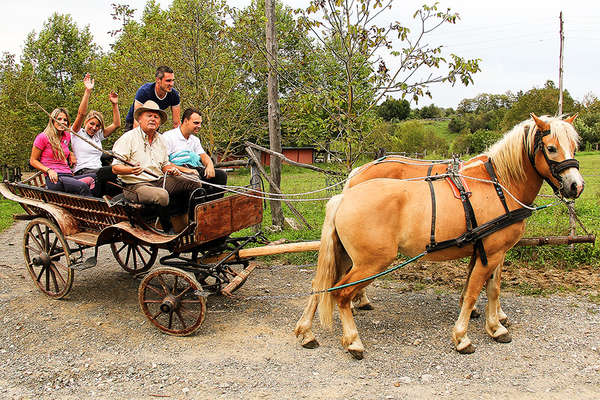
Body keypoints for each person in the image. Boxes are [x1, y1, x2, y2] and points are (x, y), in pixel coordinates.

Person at [112, 100, 202, 234]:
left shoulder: (160, 139)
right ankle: (168, 231)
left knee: (194, 181)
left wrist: (171, 169)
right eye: (149, 115)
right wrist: (131, 170)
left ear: (159, 122)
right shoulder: (128, 138)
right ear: (140, 119)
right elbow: (115, 168)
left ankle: (192, 223)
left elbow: (164, 165)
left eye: (156, 117)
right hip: (135, 185)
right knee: (162, 195)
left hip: (158, 180)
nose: (153, 119)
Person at [70, 73, 121, 197]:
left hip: (97, 171)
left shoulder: (97, 136)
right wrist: (87, 91)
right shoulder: (77, 133)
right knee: (113, 169)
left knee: (116, 185)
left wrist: (114, 104)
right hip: (83, 171)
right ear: (86, 122)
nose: (94, 128)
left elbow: (116, 124)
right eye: (91, 124)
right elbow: (80, 114)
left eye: (97, 126)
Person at [162, 108, 227, 200]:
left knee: (221, 175)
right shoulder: (168, 137)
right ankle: (197, 210)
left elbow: (203, 156)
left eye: (200, 123)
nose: (199, 126)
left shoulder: (195, 140)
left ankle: (211, 206)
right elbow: (164, 162)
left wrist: (210, 165)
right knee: (195, 181)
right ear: (185, 121)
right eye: (196, 123)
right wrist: (185, 170)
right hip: (178, 172)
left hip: (195, 170)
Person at [29, 108, 95, 196]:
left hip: (68, 175)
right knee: (82, 186)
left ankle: (91, 202)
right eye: (59, 119)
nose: (63, 122)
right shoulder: (43, 137)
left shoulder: (66, 136)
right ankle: (88, 207)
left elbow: (62, 149)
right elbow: (33, 160)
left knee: (95, 177)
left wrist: (71, 154)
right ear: (52, 120)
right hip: (56, 178)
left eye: (65, 120)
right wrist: (49, 170)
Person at [123, 66, 181, 132]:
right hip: (133, 123)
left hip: (153, 122)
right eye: (168, 81)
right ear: (158, 80)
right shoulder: (144, 91)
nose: (171, 84)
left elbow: (176, 123)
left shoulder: (174, 95)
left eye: (173, 80)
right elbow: (137, 121)